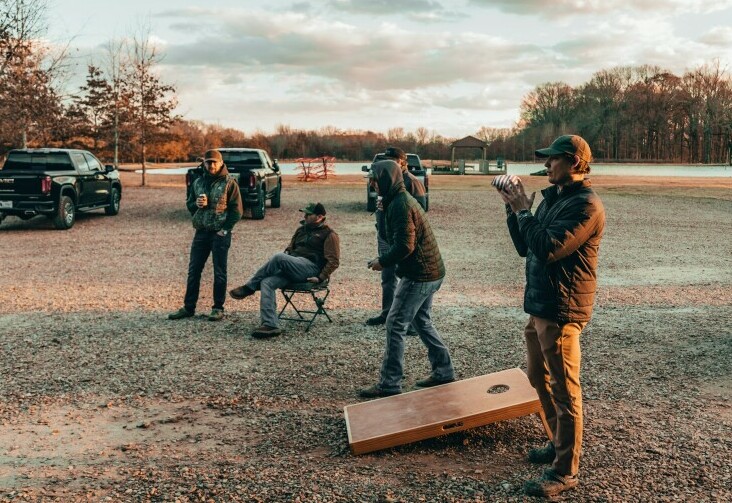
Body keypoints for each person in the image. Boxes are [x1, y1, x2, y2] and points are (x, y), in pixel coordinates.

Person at [495, 134, 605, 498]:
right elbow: (525, 247)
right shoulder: (552, 199)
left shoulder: (586, 206)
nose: (546, 166)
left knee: (565, 390)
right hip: (540, 307)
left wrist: (524, 211)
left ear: (573, 162)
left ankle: (564, 471)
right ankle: (558, 442)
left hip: (562, 310)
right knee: (537, 378)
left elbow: (548, 249)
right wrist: (515, 210)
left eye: (552, 160)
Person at [359, 160, 454, 398]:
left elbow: (404, 246)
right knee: (421, 322)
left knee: (395, 324)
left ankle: (389, 384)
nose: (372, 183)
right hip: (431, 272)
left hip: (419, 275)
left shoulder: (401, 205)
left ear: (386, 180)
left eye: (375, 179)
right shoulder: (395, 201)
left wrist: (383, 262)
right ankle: (444, 371)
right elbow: (391, 236)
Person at [229, 202, 340, 339]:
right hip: (293, 267)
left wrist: (320, 278)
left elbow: (333, 261)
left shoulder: (329, 234)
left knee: (278, 257)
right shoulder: (301, 230)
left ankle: (249, 287)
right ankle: (270, 325)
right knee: (267, 282)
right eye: (304, 213)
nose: (304, 216)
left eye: (308, 214)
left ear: (320, 216)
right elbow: (289, 249)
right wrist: (286, 259)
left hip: (311, 269)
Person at [168, 149, 243, 321]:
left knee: (219, 272)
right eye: (208, 162)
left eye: (214, 162)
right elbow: (189, 204)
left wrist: (225, 229)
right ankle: (188, 307)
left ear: (221, 163)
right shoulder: (198, 182)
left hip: (220, 235)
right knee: (194, 270)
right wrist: (196, 204)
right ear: (204, 163)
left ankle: (218, 308)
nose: (211, 165)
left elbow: (237, 210)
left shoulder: (230, 183)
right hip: (201, 233)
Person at [365, 146, 427, 331]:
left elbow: (420, 213)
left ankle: (411, 322)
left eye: (393, 159)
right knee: (387, 277)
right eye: (387, 159)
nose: (390, 162)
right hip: (385, 237)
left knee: (408, 279)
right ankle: (387, 313)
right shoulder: (385, 179)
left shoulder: (412, 182)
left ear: (402, 161)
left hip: (403, 239)